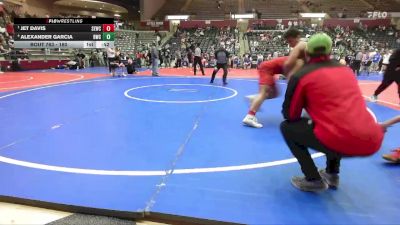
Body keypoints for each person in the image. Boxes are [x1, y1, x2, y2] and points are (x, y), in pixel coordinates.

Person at [280, 33, 384, 192]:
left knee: (287, 127)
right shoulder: (346, 70)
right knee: (335, 122)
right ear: (330, 51)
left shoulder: (302, 75)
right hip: (373, 140)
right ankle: (332, 175)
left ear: (307, 52)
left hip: (340, 139)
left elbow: (290, 115)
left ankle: (313, 179)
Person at [242, 28, 306, 128]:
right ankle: (250, 116)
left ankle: (255, 98)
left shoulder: (301, 52)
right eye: (288, 42)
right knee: (264, 93)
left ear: (297, 37)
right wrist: (289, 79)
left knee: (275, 94)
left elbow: (289, 68)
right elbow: (289, 68)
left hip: (270, 69)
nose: (289, 44)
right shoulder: (301, 50)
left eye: (290, 41)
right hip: (267, 68)